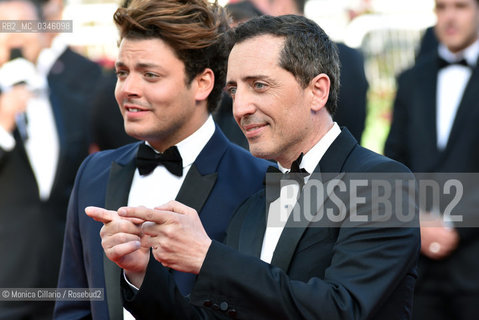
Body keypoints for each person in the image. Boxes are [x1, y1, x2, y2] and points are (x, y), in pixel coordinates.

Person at [89, 14, 420, 319]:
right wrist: (140, 272)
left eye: (259, 85)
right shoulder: (255, 202)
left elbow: (341, 309)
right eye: (234, 90)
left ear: (317, 91)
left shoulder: (382, 183)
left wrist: (208, 256)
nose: (241, 107)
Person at [53, 0, 270, 319]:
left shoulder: (262, 183)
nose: (128, 89)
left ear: (202, 83)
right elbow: (74, 306)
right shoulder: (94, 172)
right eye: (122, 73)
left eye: (150, 75)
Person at [0, 0, 102, 318]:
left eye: (26, 26)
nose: (16, 36)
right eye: (6, 26)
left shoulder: (73, 102)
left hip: (62, 283)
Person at [385, 0, 479, 319]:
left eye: (461, 6)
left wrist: (454, 226)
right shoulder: (411, 80)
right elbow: (394, 160)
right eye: (441, 7)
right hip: (417, 269)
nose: (449, 16)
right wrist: (418, 222)